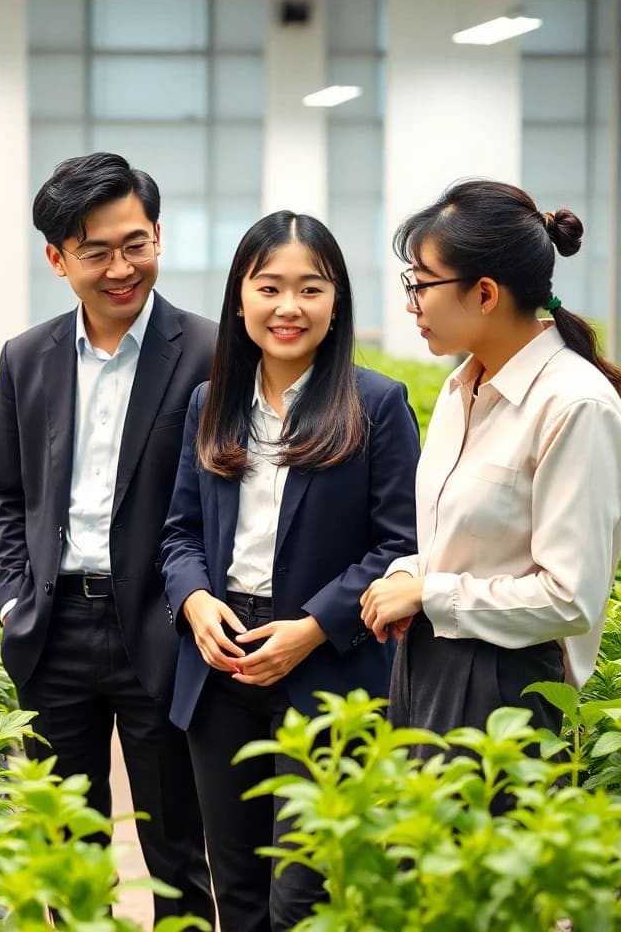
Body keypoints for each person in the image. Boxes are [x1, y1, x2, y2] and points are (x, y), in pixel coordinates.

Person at [161, 210, 420, 932]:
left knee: (302, 892)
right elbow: (180, 531)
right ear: (239, 297)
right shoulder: (210, 403)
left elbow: (400, 544)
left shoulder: (376, 404)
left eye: (311, 288)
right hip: (222, 664)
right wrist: (195, 603)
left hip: (327, 668)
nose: (288, 307)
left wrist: (310, 629)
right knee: (236, 888)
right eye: (269, 286)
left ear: (336, 301)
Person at [0, 152, 215, 923]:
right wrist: (15, 596)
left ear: (157, 235)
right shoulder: (27, 357)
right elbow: (9, 498)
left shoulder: (214, 353)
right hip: (53, 632)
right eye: (96, 252)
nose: (122, 268)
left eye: (136, 243)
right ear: (57, 258)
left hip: (164, 624)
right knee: (65, 855)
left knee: (179, 850)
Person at [359, 179, 621, 748]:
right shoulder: (460, 388)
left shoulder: (573, 405)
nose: (411, 303)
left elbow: (567, 597)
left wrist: (429, 593)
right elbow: (470, 544)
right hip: (428, 658)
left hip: (501, 684)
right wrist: (410, 573)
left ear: (485, 293)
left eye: (421, 284)